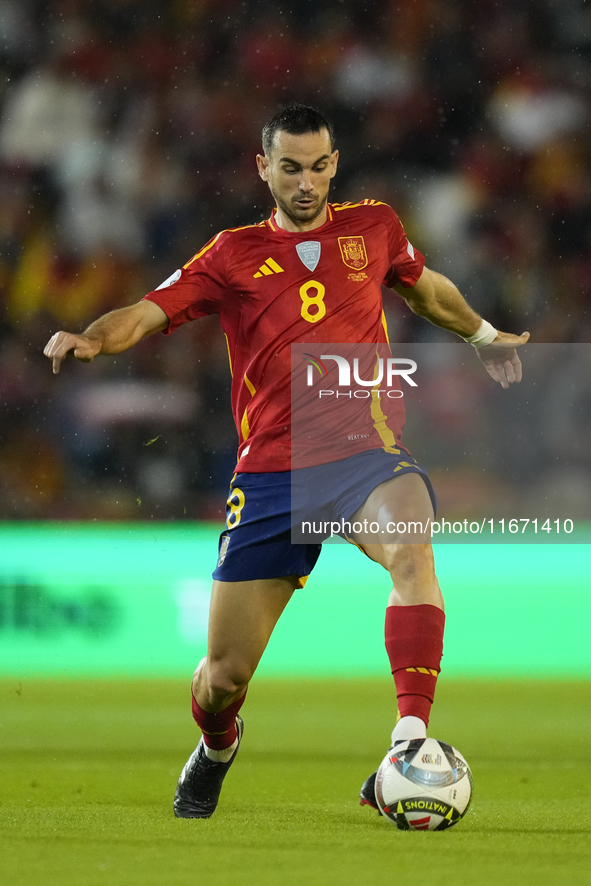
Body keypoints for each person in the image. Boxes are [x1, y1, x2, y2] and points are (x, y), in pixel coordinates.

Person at [44, 104, 529, 820]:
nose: (307, 181)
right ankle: (217, 746)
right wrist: (92, 336)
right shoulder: (230, 254)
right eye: (291, 167)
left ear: (334, 163)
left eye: (319, 165)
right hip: (273, 474)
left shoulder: (374, 228)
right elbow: (147, 312)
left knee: (412, 554)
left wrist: (485, 334)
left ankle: (406, 744)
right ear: (263, 168)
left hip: (367, 456)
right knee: (222, 678)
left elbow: (426, 291)